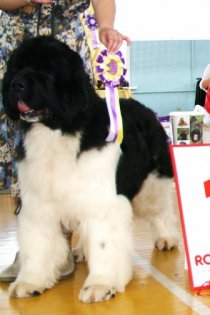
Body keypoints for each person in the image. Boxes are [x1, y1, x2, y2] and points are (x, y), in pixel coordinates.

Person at [0, 0, 128, 282]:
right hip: (17, 45)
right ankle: (32, 250)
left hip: (65, 51)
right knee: (23, 157)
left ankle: (64, 244)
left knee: (71, 151)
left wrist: (106, 25)